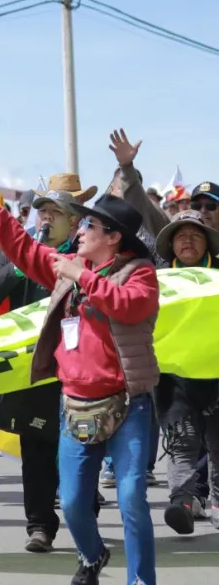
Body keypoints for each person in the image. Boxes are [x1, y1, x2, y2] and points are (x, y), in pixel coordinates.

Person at [0, 174, 160, 585]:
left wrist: (82, 276)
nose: (81, 228)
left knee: (131, 500)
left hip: (128, 403)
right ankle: (93, 556)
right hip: (74, 404)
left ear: (114, 237)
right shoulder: (71, 266)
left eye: (89, 224)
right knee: (72, 503)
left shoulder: (140, 273)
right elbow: (23, 249)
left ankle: (141, 580)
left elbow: (128, 305)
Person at [0, 188, 93, 553]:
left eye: (55, 212)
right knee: (37, 449)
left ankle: (85, 518)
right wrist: (17, 265)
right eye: (42, 212)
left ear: (74, 221)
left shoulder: (87, 256)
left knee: (81, 446)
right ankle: (40, 526)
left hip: (79, 368)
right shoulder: (22, 251)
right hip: (35, 370)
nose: (46, 218)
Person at [153, 210, 219, 533]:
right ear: (171, 245)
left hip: (216, 375)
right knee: (183, 441)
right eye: (181, 236)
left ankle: (217, 503)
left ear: (207, 243)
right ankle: (182, 502)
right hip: (174, 379)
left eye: (195, 235)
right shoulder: (156, 280)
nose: (188, 241)